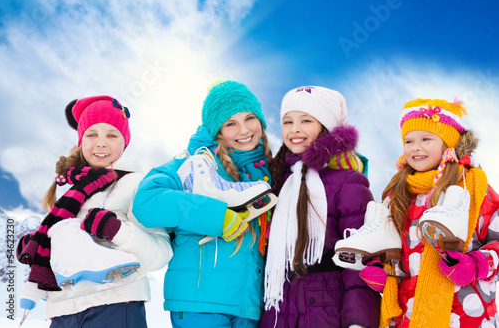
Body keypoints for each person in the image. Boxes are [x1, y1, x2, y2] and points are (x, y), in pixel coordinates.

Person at [17, 96, 173, 327]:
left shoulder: (137, 185)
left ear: (124, 142)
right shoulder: (70, 192)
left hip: (115, 305)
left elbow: (160, 254)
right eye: (92, 135)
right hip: (62, 310)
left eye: (112, 135)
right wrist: (39, 245)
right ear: (81, 141)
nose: (101, 143)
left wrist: (116, 230)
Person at [132, 80, 273, 328]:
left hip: (249, 307)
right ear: (216, 129)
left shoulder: (268, 171)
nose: (243, 130)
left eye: (250, 118)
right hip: (200, 305)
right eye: (230, 123)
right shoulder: (193, 165)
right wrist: (217, 217)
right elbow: (147, 201)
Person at [366, 98, 499, 327]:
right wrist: (381, 271)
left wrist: (476, 264)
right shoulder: (397, 194)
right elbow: (394, 253)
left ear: (449, 145)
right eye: (409, 141)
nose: (415, 147)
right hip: (409, 314)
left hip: (465, 314)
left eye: (426, 139)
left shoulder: (474, 188)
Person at [260, 86, 381, 328]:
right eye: (288, 121)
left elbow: (357, 259)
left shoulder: (348, 183)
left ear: (326, 128)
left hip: (326, 309)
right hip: (279, 307)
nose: (295, 128)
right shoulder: (279, 180)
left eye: (306, 120)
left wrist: (358, 321)